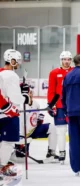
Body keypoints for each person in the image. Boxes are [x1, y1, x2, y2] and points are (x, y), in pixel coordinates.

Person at [0, 49, 29, 177]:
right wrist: (25, 96)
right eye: (17, 62)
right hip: (8, 114)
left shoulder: (1, 73)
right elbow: (16, 98)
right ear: (12, 61)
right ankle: (1, 167)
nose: (18, 64)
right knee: (8, 142)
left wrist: (20, 87)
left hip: (2, 113)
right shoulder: (12, 75)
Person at [10, 89, 58, 163]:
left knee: (52, 128)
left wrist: (39, 119)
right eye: (28, 93)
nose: (30, 95)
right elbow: (16, 124)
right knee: (21, 159)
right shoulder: (19, 106)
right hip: (22, 135)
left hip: (34, 130)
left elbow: (37, 118)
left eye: (30, 93)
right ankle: (10, 155)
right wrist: (20, 138)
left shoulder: (36, 104)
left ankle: (51, 152)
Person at [47, 51, 73, 164]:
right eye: (64, 59)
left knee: (74, 131)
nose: (66, 61)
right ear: (61, 60)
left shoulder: (75, 71)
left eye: (68, 59)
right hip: (60, 106)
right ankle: (62, 152)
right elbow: (51, 90)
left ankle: (75, 153)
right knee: (61, 131)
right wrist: (51, 105)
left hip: (73, 106)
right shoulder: (54, 73)